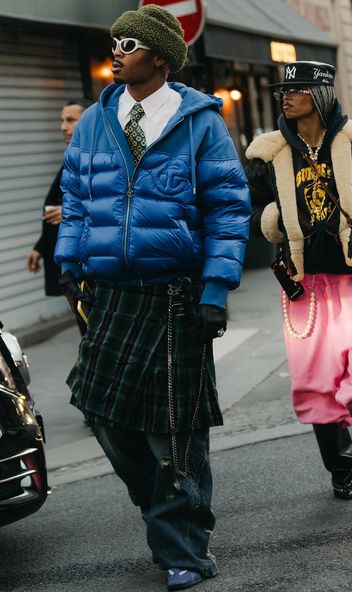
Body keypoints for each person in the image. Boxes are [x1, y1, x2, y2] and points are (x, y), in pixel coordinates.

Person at [54, 5, 250, 591]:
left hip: (174, 295)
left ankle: (184, 545)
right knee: (102, 414)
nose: (117, 50)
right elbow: (77, 193)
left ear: (160, 57)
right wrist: (70, 260)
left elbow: (229, 209)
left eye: (130, 43)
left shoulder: (201, 122)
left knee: (176, 431)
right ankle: (158, 503)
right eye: (115, 41)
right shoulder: (95, 119)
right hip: (110, 290)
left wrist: (216, 288)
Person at [246, 61, 352, 506]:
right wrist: (271, 219)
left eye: (296, 88)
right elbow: (247, 205)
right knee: (317, 379)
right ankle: (341, 469)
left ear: (319, 94)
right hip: (305, 287)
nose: (286, 95)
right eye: (283, 89)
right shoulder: (271, 153)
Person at [26, 99, 92, 301]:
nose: (63, 127)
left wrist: (70, 212)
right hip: (72, 260)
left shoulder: (98, 158)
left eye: (71, 120)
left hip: (90, 262)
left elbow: (116, 204)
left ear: (90, 121)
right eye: (62, 120)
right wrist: (41, 246)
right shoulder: (74, 157)